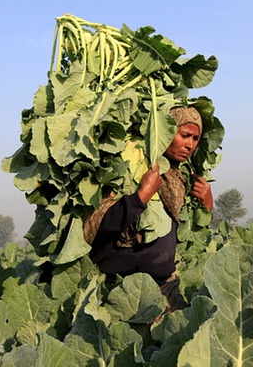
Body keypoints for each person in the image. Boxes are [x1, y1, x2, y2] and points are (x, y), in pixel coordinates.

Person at [86, 106, 213, 312]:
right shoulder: (126, 166)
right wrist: (140, 197)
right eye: (185, 136)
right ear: (164, 133)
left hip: (164, 287)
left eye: (195, 138)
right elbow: (97, 228)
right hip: (117, 290)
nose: (190, 145)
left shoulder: (179, 180)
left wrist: (207, 205)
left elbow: (191, 239)